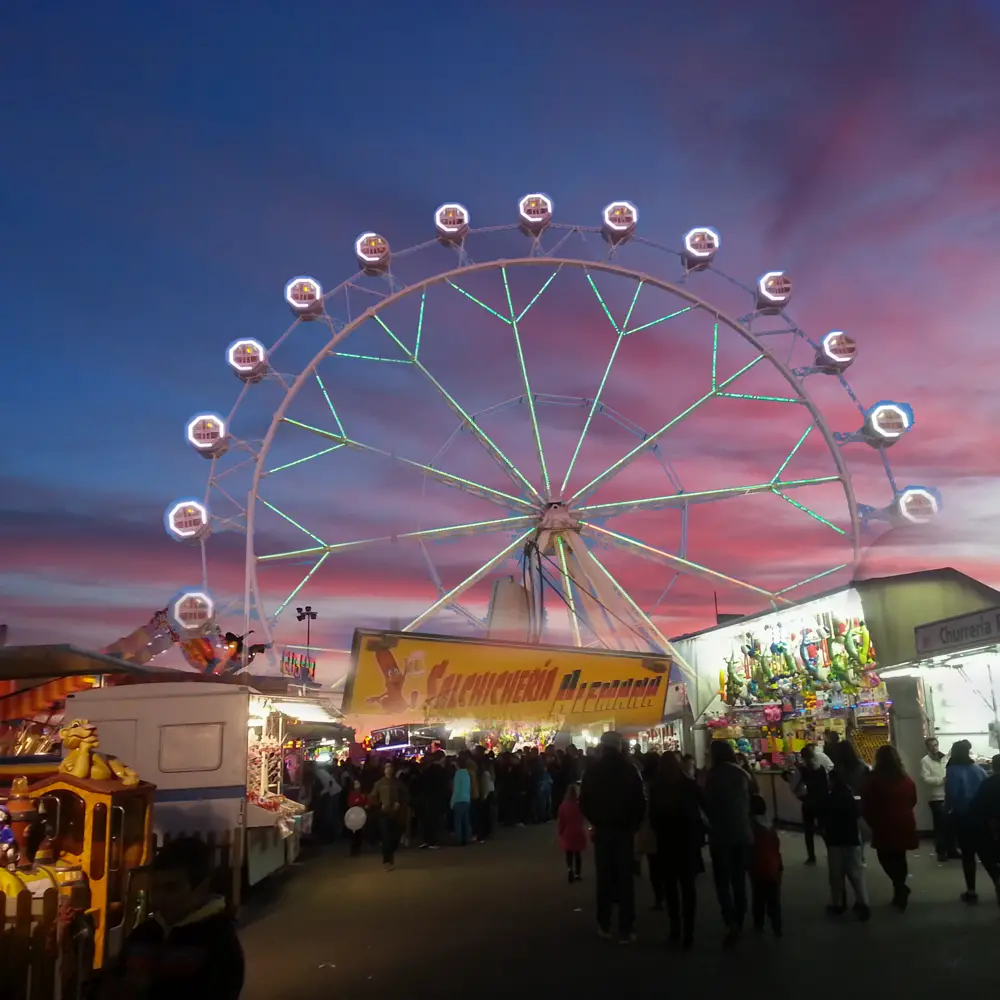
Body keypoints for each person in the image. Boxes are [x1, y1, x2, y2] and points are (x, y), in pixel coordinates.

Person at [101, 837, 244, 999]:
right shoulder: (144, 934)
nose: (158, 899)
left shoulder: (219, 942)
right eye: (155, 888)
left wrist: (147, 990)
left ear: (201, 888)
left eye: (171, 888)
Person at [579, 730, 646, 943]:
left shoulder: (593, 770)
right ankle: (626, 928)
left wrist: (595, 821)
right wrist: (634, 825)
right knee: (626, 879)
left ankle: (604, 922)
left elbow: (584, 801)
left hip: (603, 829)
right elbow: (640, 801)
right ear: (619, 746)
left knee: (604, 878)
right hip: (625, 830)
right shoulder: (630, 770)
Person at [649, 752, 704, 949]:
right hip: (687, 841)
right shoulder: (689, 784)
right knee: (688, 888)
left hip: (666, 843)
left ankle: (675, 929)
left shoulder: (657, 787)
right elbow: (701, 807)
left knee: (671, 888)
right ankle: (689, 932)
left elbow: (652, 817)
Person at [703, 740, 754, 947]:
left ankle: (730, 919)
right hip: (742, 833)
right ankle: (740, 919)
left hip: (720, 835)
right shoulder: (742, 774)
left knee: (722, 881)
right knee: (739, 878)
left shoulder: (712, 777)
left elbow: (707, 805)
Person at [861, 744, 918, 910]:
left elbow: (867, 802)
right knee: (900, 857)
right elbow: (913, 800)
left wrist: (870, 820)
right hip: (905, 821)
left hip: (883, 822)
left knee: (885, 857)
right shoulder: (905, 778)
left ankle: (900, 887)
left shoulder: (874, 779)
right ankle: (899, 890)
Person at [945, 739, 991, 903]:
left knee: (968, 855)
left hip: (964, 817)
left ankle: (971, 891)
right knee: (987, 854)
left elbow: (952, 794)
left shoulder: (953, 771)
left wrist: (947, 810)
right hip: (982, 817)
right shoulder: (978, 769)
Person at [824, 767, 870, 920]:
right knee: (856, 873)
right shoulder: (849, 797)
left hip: (835, 841)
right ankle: (863, 903)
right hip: (852, 839)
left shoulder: (830, 799)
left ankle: (837, 903)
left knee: (836, 874)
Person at [748, 795, 782, 938]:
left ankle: (759, 924)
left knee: (758, 897)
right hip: (773, 867)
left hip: (757, 867)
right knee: (773, 899)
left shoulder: (751, 827)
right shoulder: (770, 826)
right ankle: (777, 926)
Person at [791, 743, 831, 865]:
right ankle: (831, 852)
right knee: (824, 828)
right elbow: (827, 784)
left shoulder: (802, 770)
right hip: (822, 802)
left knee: (809, 831)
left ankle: (811, 857)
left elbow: (794, 785)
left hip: (808, 802)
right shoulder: (821, 769)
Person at [920, 736, 953, 862]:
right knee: (940, 826)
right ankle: (941, 852)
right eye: (932, 745)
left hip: (948, 795)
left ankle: (951, 850)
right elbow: (925, 779)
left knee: (949, 825)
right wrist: (941, 781)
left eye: (936, 745)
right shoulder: (925, 761)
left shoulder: (945, 759)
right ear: (927, 747)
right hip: (935, 797)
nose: (935, 747)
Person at [371, 761, 408, 870]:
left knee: (395, 837)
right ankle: (387, 860)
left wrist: (400, 803)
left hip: (396, 814)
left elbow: (406, 795)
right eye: (386, 767)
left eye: (391, 767)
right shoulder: (379, 783)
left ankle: (389, 854)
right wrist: (379, 804)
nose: (389, 769)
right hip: (384, 814)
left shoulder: (398, 783)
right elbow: (373, 797)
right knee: (386, 837)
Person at [557, 783, 588, 883]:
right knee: (578, 854)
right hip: (578, 831)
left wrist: (560, 832)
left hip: (568, 832)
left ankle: (570, 869)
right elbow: (583, 818)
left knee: (569, 853)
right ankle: (578, 874)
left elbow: (561, 822)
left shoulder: (563, 806)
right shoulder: (581, 805)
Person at [451, 753, 476, 846]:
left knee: (457, 821)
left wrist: (452, 802)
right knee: (466, 820)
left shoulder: (458, 773)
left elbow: (456, 789)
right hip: (466, 799)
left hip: (459, 799)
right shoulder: (467, 773)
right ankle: (466, 838)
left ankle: (458, 840)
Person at [347, 779, 368, 856]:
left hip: (361, 815)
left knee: (359, 832)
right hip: (353, 816)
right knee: (353, 832)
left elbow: (367, 803)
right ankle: (353, 849)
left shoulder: (363, 794)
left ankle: (358, 848)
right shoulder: (352, 794)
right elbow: (349, 804)